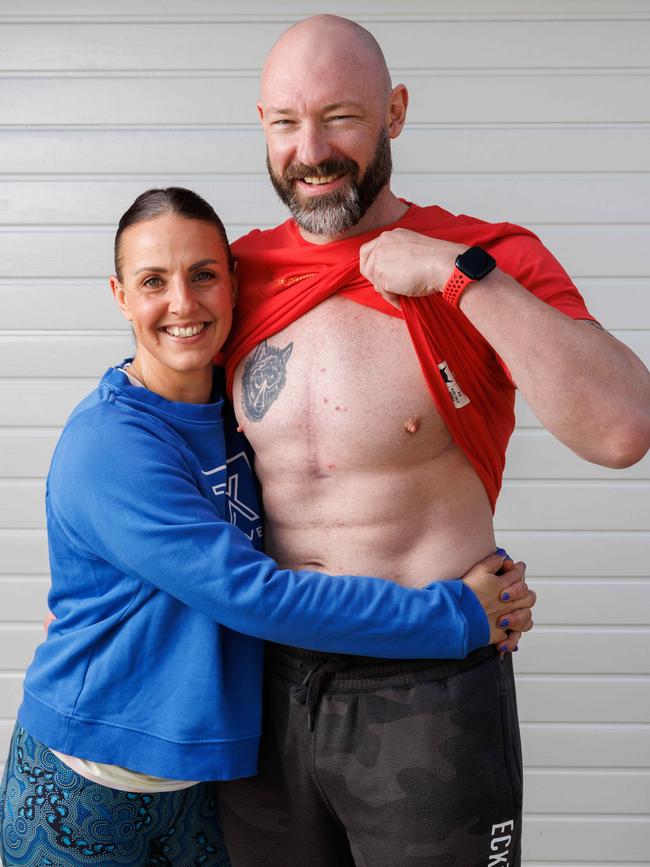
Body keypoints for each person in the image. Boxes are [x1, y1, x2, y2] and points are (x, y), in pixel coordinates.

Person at [215, 15, 650, 867]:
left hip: (427, 687)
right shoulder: (232, 275)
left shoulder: (485, 259)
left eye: (340, 115)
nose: (310, 150)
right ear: (260, 123)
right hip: (259, 685)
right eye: (284, 122)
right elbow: (151, 439)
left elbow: (623, 427)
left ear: (395, 112)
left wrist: (456, 278)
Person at [0, 188, 534, 867]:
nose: (183, 303)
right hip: (89, 777)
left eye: (203, 275)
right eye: (153, 282)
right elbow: (252, 594)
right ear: (120, 294)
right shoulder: (111, 443)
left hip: (203, 781)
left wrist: (460, 554)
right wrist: (454, 613)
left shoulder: (240, 410)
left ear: (233, 282)